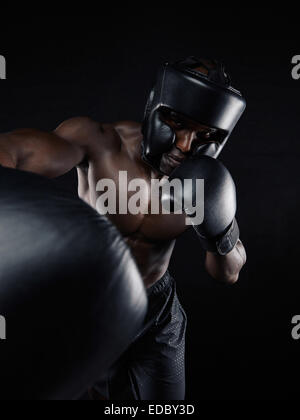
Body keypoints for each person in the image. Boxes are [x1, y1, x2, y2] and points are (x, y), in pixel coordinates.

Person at [0, 57, 247, 400]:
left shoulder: (206, 182)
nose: (185, 145)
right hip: (90, 302)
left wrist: (221, 229)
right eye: (177, 124)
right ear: (155, 107)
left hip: (157, 311)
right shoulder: (100, 143)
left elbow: (227, 273)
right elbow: (16, 151)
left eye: (203, 135)